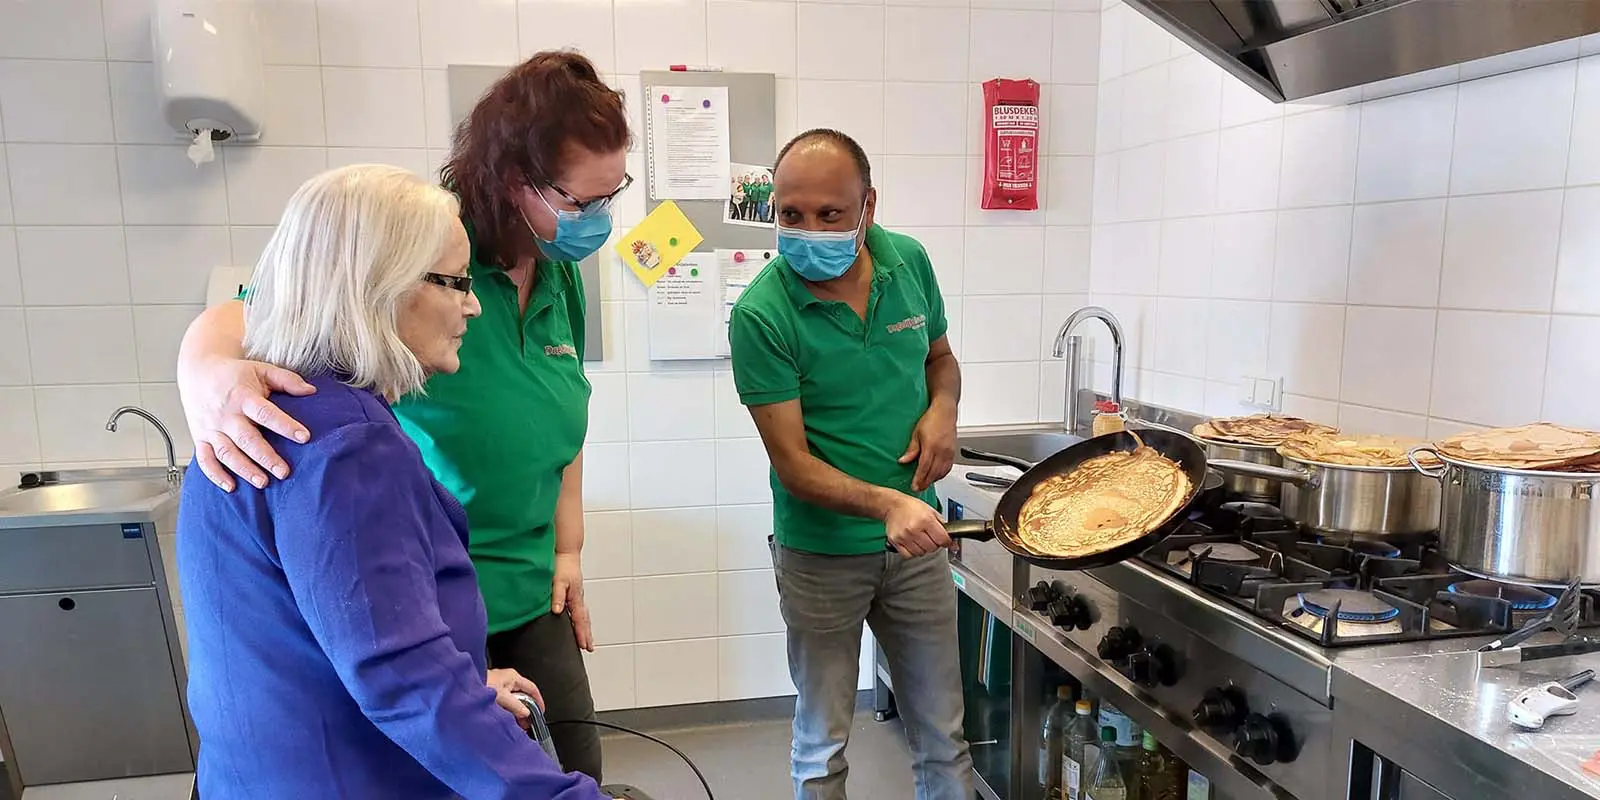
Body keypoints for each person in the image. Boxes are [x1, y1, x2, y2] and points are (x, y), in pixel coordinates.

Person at [174, 51, 630, 782]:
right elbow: (410, 687)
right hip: (405, 635)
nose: (473, 304)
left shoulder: (318, 421)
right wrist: (202, 369)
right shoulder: (342, 444)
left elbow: (368, 669)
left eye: (613, 195)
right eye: (581, 202)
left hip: (502, 593)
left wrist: (566, 551)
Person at [727, 129, 972, 800]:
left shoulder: (909, 263)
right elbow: (794, 465)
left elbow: (939, 360)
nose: (809, 231)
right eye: (790, 215)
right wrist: (889, 504)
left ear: (868, 205)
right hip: (820, 556)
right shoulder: (762, 314)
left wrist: (942, 410)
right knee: (821, 743)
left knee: (943, 739)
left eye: (830, 215)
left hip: (915, 550)